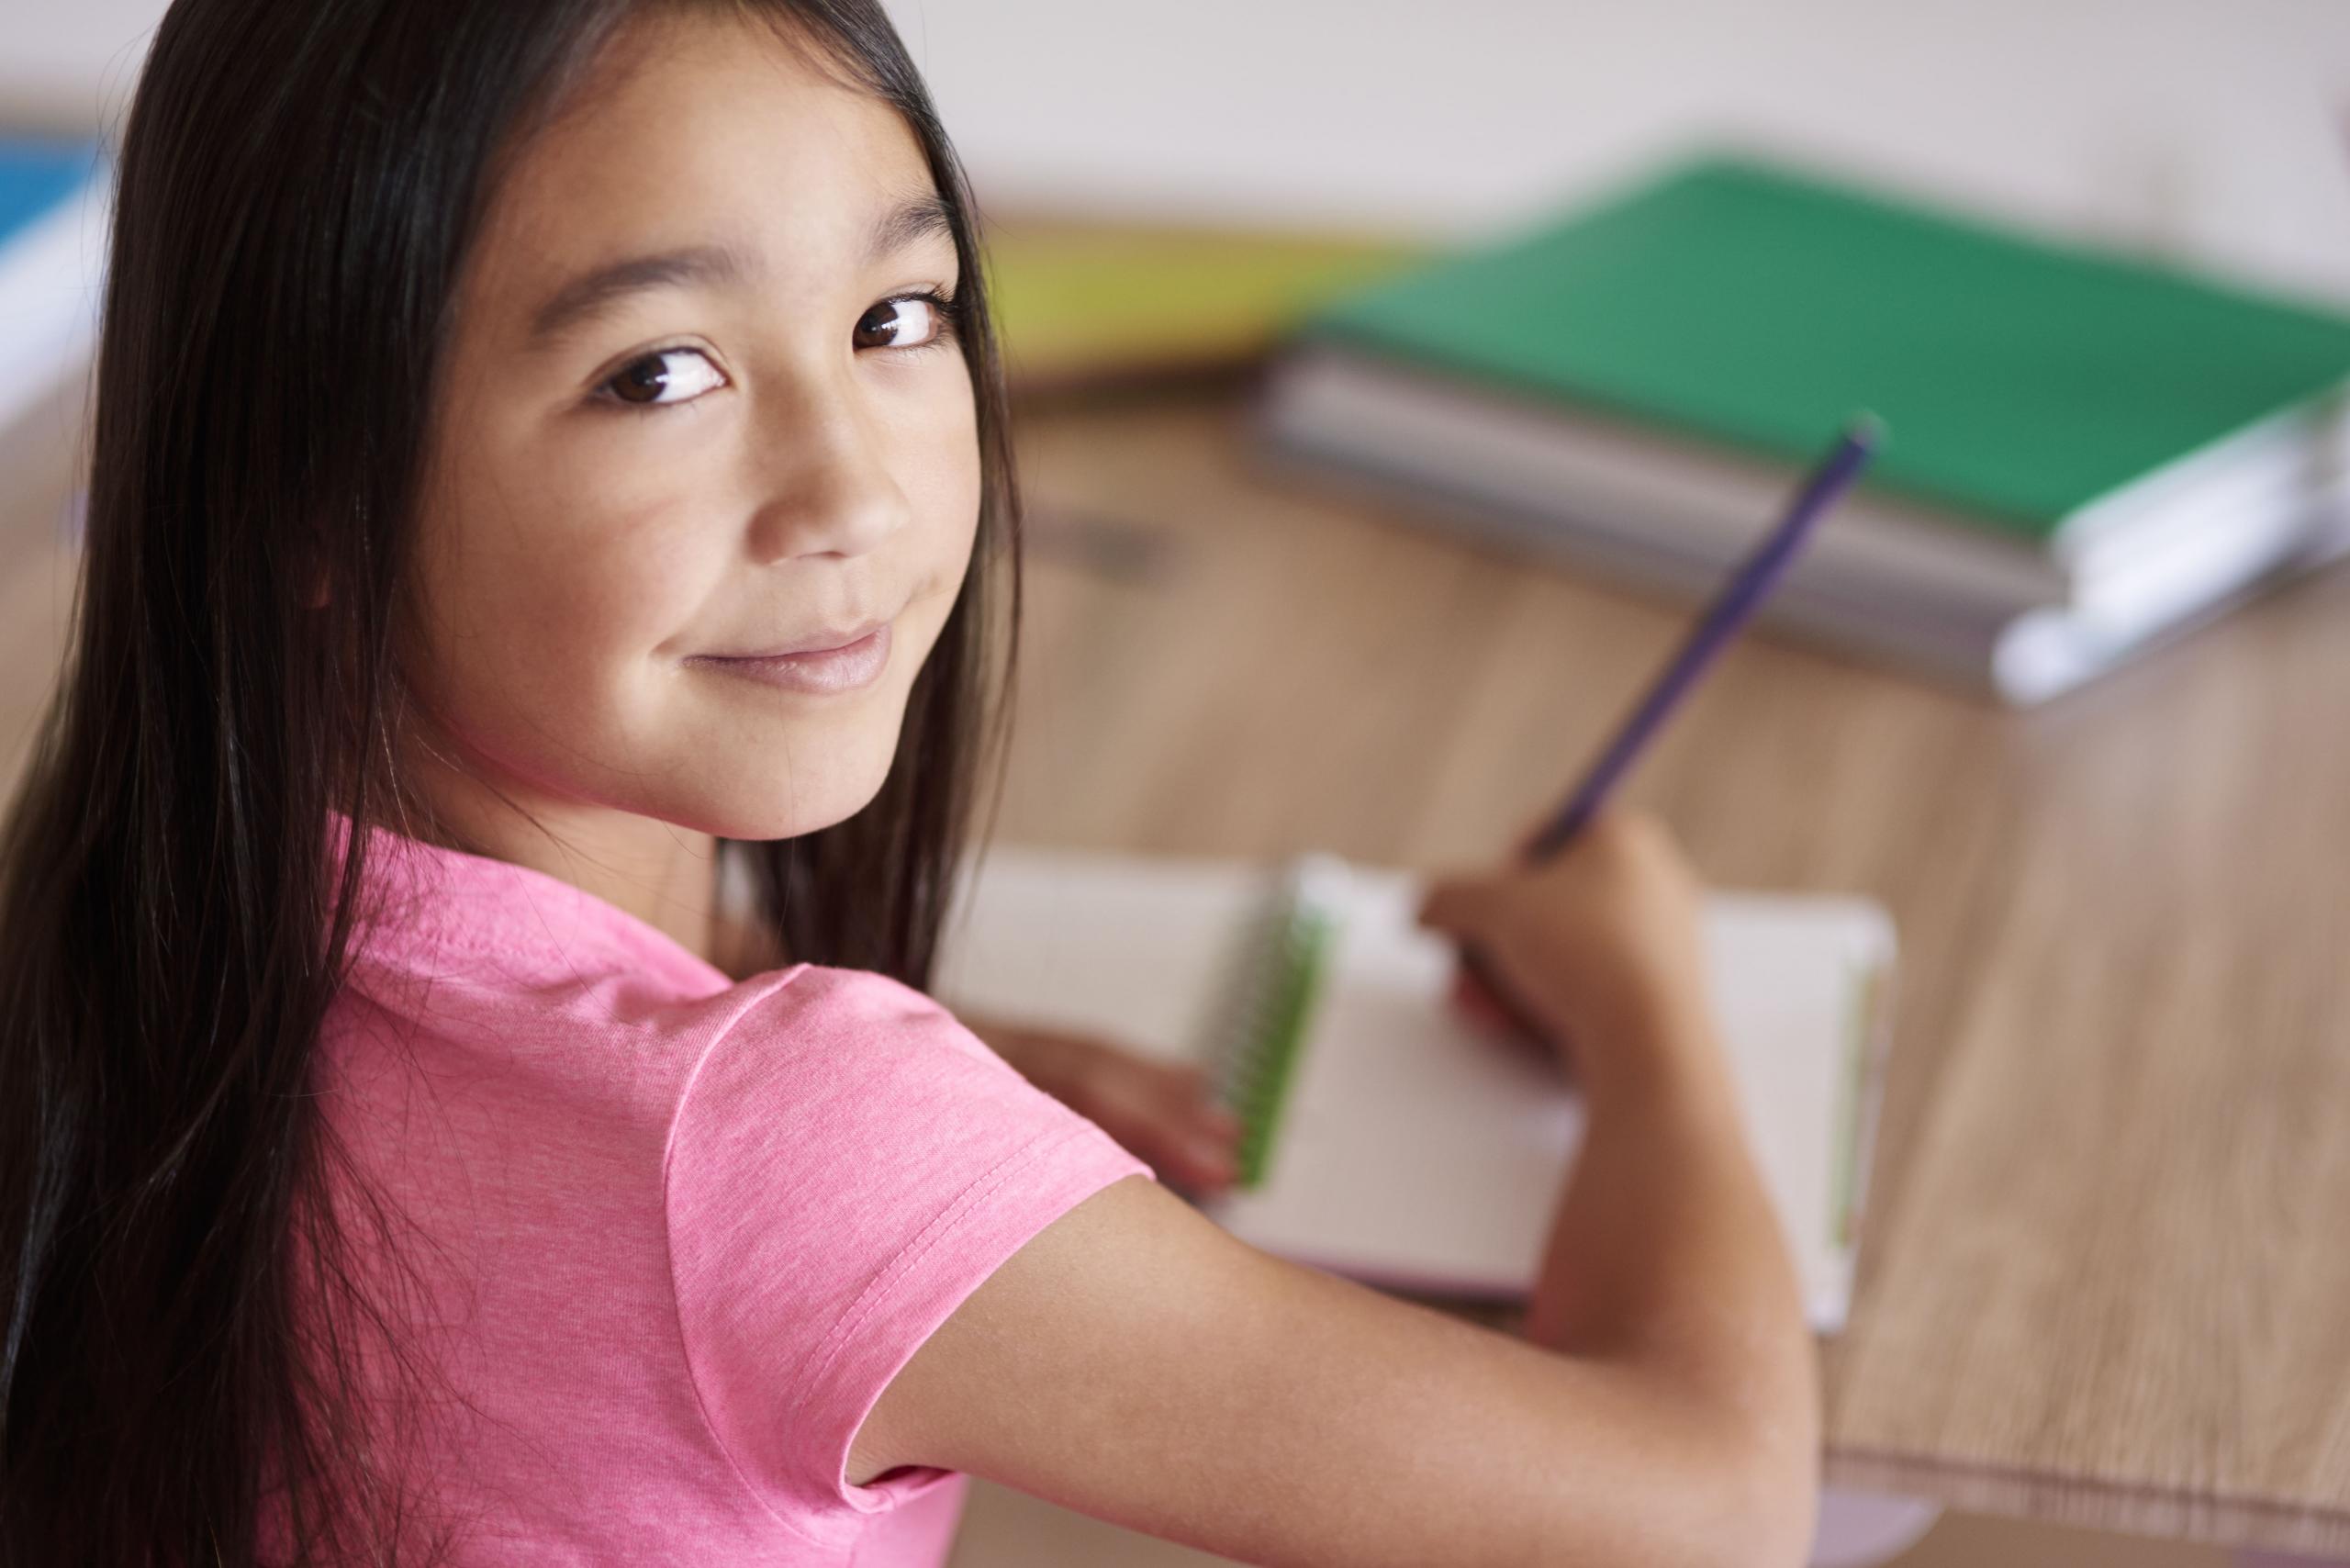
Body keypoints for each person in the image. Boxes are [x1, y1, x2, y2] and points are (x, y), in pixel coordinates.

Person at [0, 1, 1818, 1562]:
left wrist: (949, 1106)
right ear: (305, 488)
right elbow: (1706, 1515)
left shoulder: (130, 909)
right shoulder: (785, 1149)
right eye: (661, 372)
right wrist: (1649, 1008)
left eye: (895, 318)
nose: (854, 493)